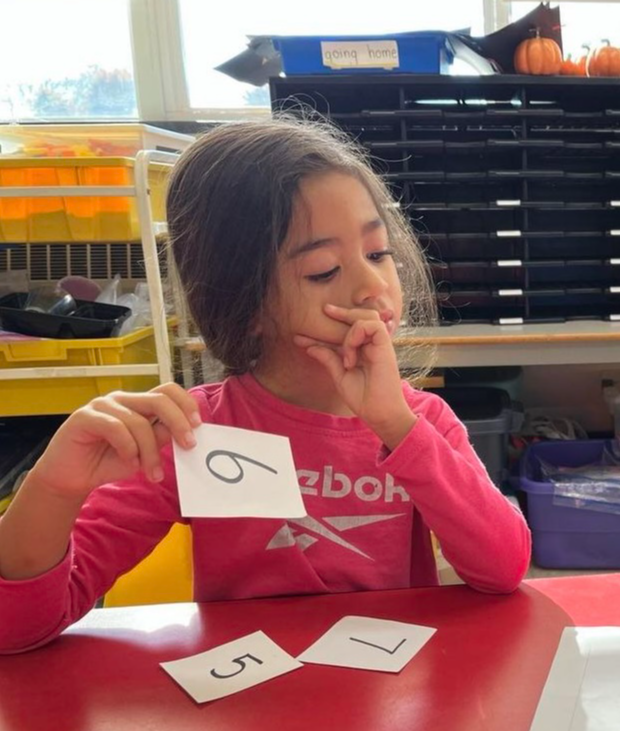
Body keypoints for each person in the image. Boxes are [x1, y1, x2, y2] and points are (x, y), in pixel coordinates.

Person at [0, 119, 532, 653]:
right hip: (246, 713)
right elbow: (19, 628)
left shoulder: (422, 422)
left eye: (377, 253)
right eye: (324, 270)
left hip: (388, 707)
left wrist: (397, 426)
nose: (374, 287)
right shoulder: (192, 433)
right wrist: (53, 488)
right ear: (245, 304)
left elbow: (504, 568)